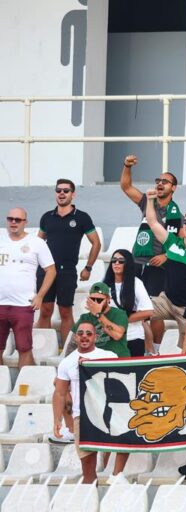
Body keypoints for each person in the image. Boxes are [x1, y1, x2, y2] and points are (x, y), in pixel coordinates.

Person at [70, 281, 131, 479]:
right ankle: (98, 470)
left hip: (119, 374)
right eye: (93, 299)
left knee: (121, 424)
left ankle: (117, 474)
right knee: (97, 423)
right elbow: (75, 341)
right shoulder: (84, 318)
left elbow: (117, 334)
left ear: (108, 300)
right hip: (94, 378)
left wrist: (98, 315)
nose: (95, 302)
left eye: (99, 299)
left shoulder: (119, 314)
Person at [120, 155, 183, 347]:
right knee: (131, 304)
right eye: (158, 180)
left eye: (165, 181)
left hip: (158, 267)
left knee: (153, 310)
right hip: (136, 263)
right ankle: (137, 345)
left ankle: (155, 349)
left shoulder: (177, 215)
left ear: (173, 188)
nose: (160, 184)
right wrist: (127, 166)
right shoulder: (147, 203)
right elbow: (126, 187)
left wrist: (166, 255)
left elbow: (182, 242)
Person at [144, 188, 186, 346]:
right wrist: (149, 200)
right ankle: (151, 352)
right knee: (135, 314)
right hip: (166, 301)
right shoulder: (172, 243)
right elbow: (152, 222)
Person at [36, 179, 101, 344]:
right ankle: (43, 349)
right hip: (46, 271)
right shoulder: (47, 217)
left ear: (73, 194)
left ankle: (67, 352)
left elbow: (96, 243)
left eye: (66, 190)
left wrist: (88, 267)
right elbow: (37, 243)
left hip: (67, 271)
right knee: (45, 310)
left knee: (65, 312)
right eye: (59, 190)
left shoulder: (82, 217)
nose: (62, 193)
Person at [52, 320, 116, 484]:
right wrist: (57, 420)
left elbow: (119, 381)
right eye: (80, 333)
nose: (84, 336)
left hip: (109, 414)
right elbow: (59, 393)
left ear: (95, 337)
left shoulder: (109, 356)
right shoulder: (67, 362)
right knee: (87, 465)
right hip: (82, 416)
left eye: (89, 333)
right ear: (75, 338)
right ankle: (91, 495)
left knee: (114, 459)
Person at [0, 208, 56, 367]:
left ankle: (26, 381)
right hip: (0, 304)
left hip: (23, 305)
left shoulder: (36, 243)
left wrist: (40, 296)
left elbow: (51, 270)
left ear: (25, 222)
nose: (13, 222)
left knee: (24, 348)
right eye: (10, 219)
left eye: (18, 220)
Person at [102, 250, 154, 357]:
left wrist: (120, 321)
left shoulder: (136, 283)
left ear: (128, 264)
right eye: (114, 260)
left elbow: (148, 311)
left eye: (121, 261)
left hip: (133, 337)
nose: (116, 263)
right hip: (109, 337)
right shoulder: (104, 284)